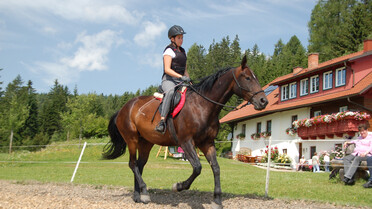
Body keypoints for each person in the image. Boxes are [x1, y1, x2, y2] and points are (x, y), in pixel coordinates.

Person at [155, 25, 191, 133]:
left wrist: (188, 79)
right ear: (172, 39)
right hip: (169, 80)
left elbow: (185, 71)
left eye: (182, 38)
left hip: (180, 81)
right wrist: (181, 77)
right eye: (179, 38)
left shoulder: (183, 52)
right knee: (170, 92)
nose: (181, 40)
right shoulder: (168, 51)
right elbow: (167, 69)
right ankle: (162, 121)